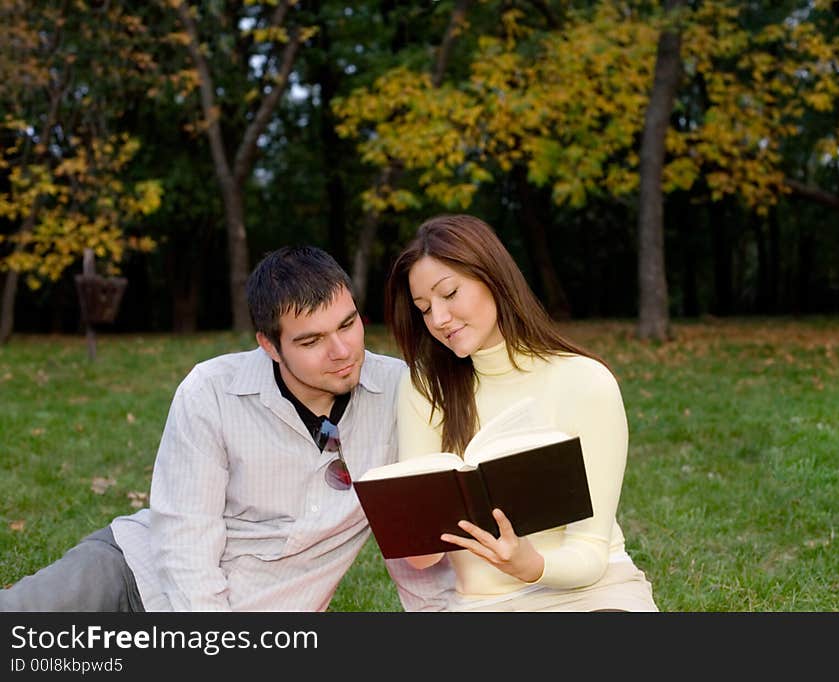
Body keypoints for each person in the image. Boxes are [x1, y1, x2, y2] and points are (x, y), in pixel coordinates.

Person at [0, 245, 454, 612]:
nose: (341, 350)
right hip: (133, 575)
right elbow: (185, 537)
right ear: (269, 346)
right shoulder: (211, 391)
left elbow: (418, 550)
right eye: (311, 341)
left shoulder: (401, 395)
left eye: (348, 324)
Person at [384, 214, 658, 612]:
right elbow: (423, 554)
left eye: (450, 294)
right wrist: (412, 531)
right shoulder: (425, 389)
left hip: (595, 593)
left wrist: (529, 564)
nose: (438, 320)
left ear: (492, 278)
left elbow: (591, 553)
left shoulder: (585, 381)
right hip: (485, 606)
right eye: (424, 308)